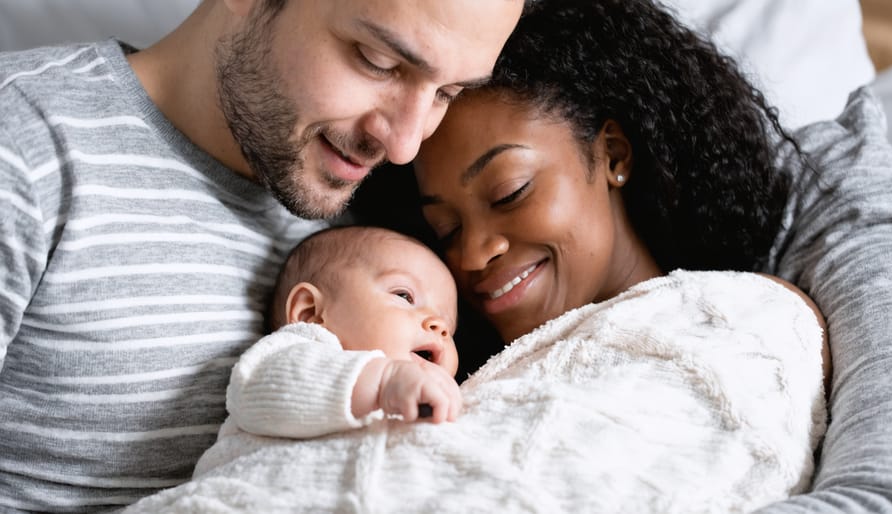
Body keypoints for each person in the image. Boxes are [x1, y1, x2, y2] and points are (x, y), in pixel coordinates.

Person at [121, 0, 836, 511]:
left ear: (613, 153)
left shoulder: (739, 323)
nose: (475, 255)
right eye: (445, 229)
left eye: (510, 190)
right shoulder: (432, 358)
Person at [0, 0, 525, 510]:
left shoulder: (377, 214)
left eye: (446, 93)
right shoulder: (21, 145)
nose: (404, 144)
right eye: (378, 61)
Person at [194, 225, 462, 473]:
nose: (438, 325)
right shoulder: (289, 353)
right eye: (404, 296)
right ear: (311, 313)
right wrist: (383, 379)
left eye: (449, 326)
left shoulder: (429, 396)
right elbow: (260, 390)